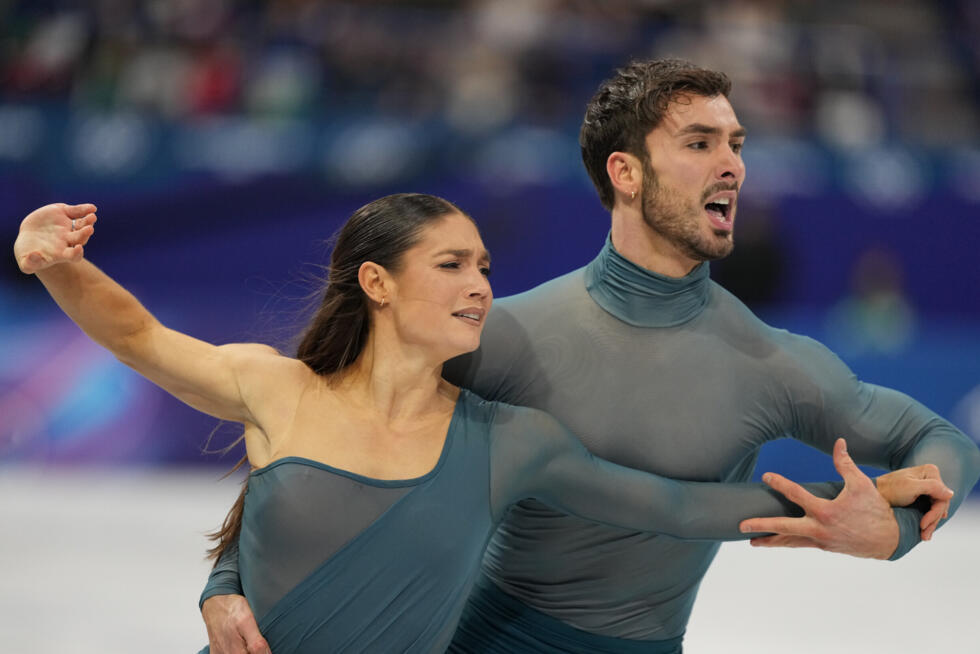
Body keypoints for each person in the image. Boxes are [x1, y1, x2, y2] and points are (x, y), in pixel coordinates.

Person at [190, 59, 980, 654]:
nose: (733, 164)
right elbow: (306, 437)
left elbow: (948, 444)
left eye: (736, 144)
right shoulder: (502, 337)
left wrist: (897, 529)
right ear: (626, 173)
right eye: (700, 143)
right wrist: (224, 586)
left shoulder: (772, 363)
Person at [14, 198, 948, 653]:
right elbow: (138, 336)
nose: (480, 286)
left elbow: (675, 505)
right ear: (376, 284)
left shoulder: (508, 439)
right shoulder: (276, 388)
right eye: (452, 266)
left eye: (486, 266)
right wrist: (56, 264)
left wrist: (854, 508)